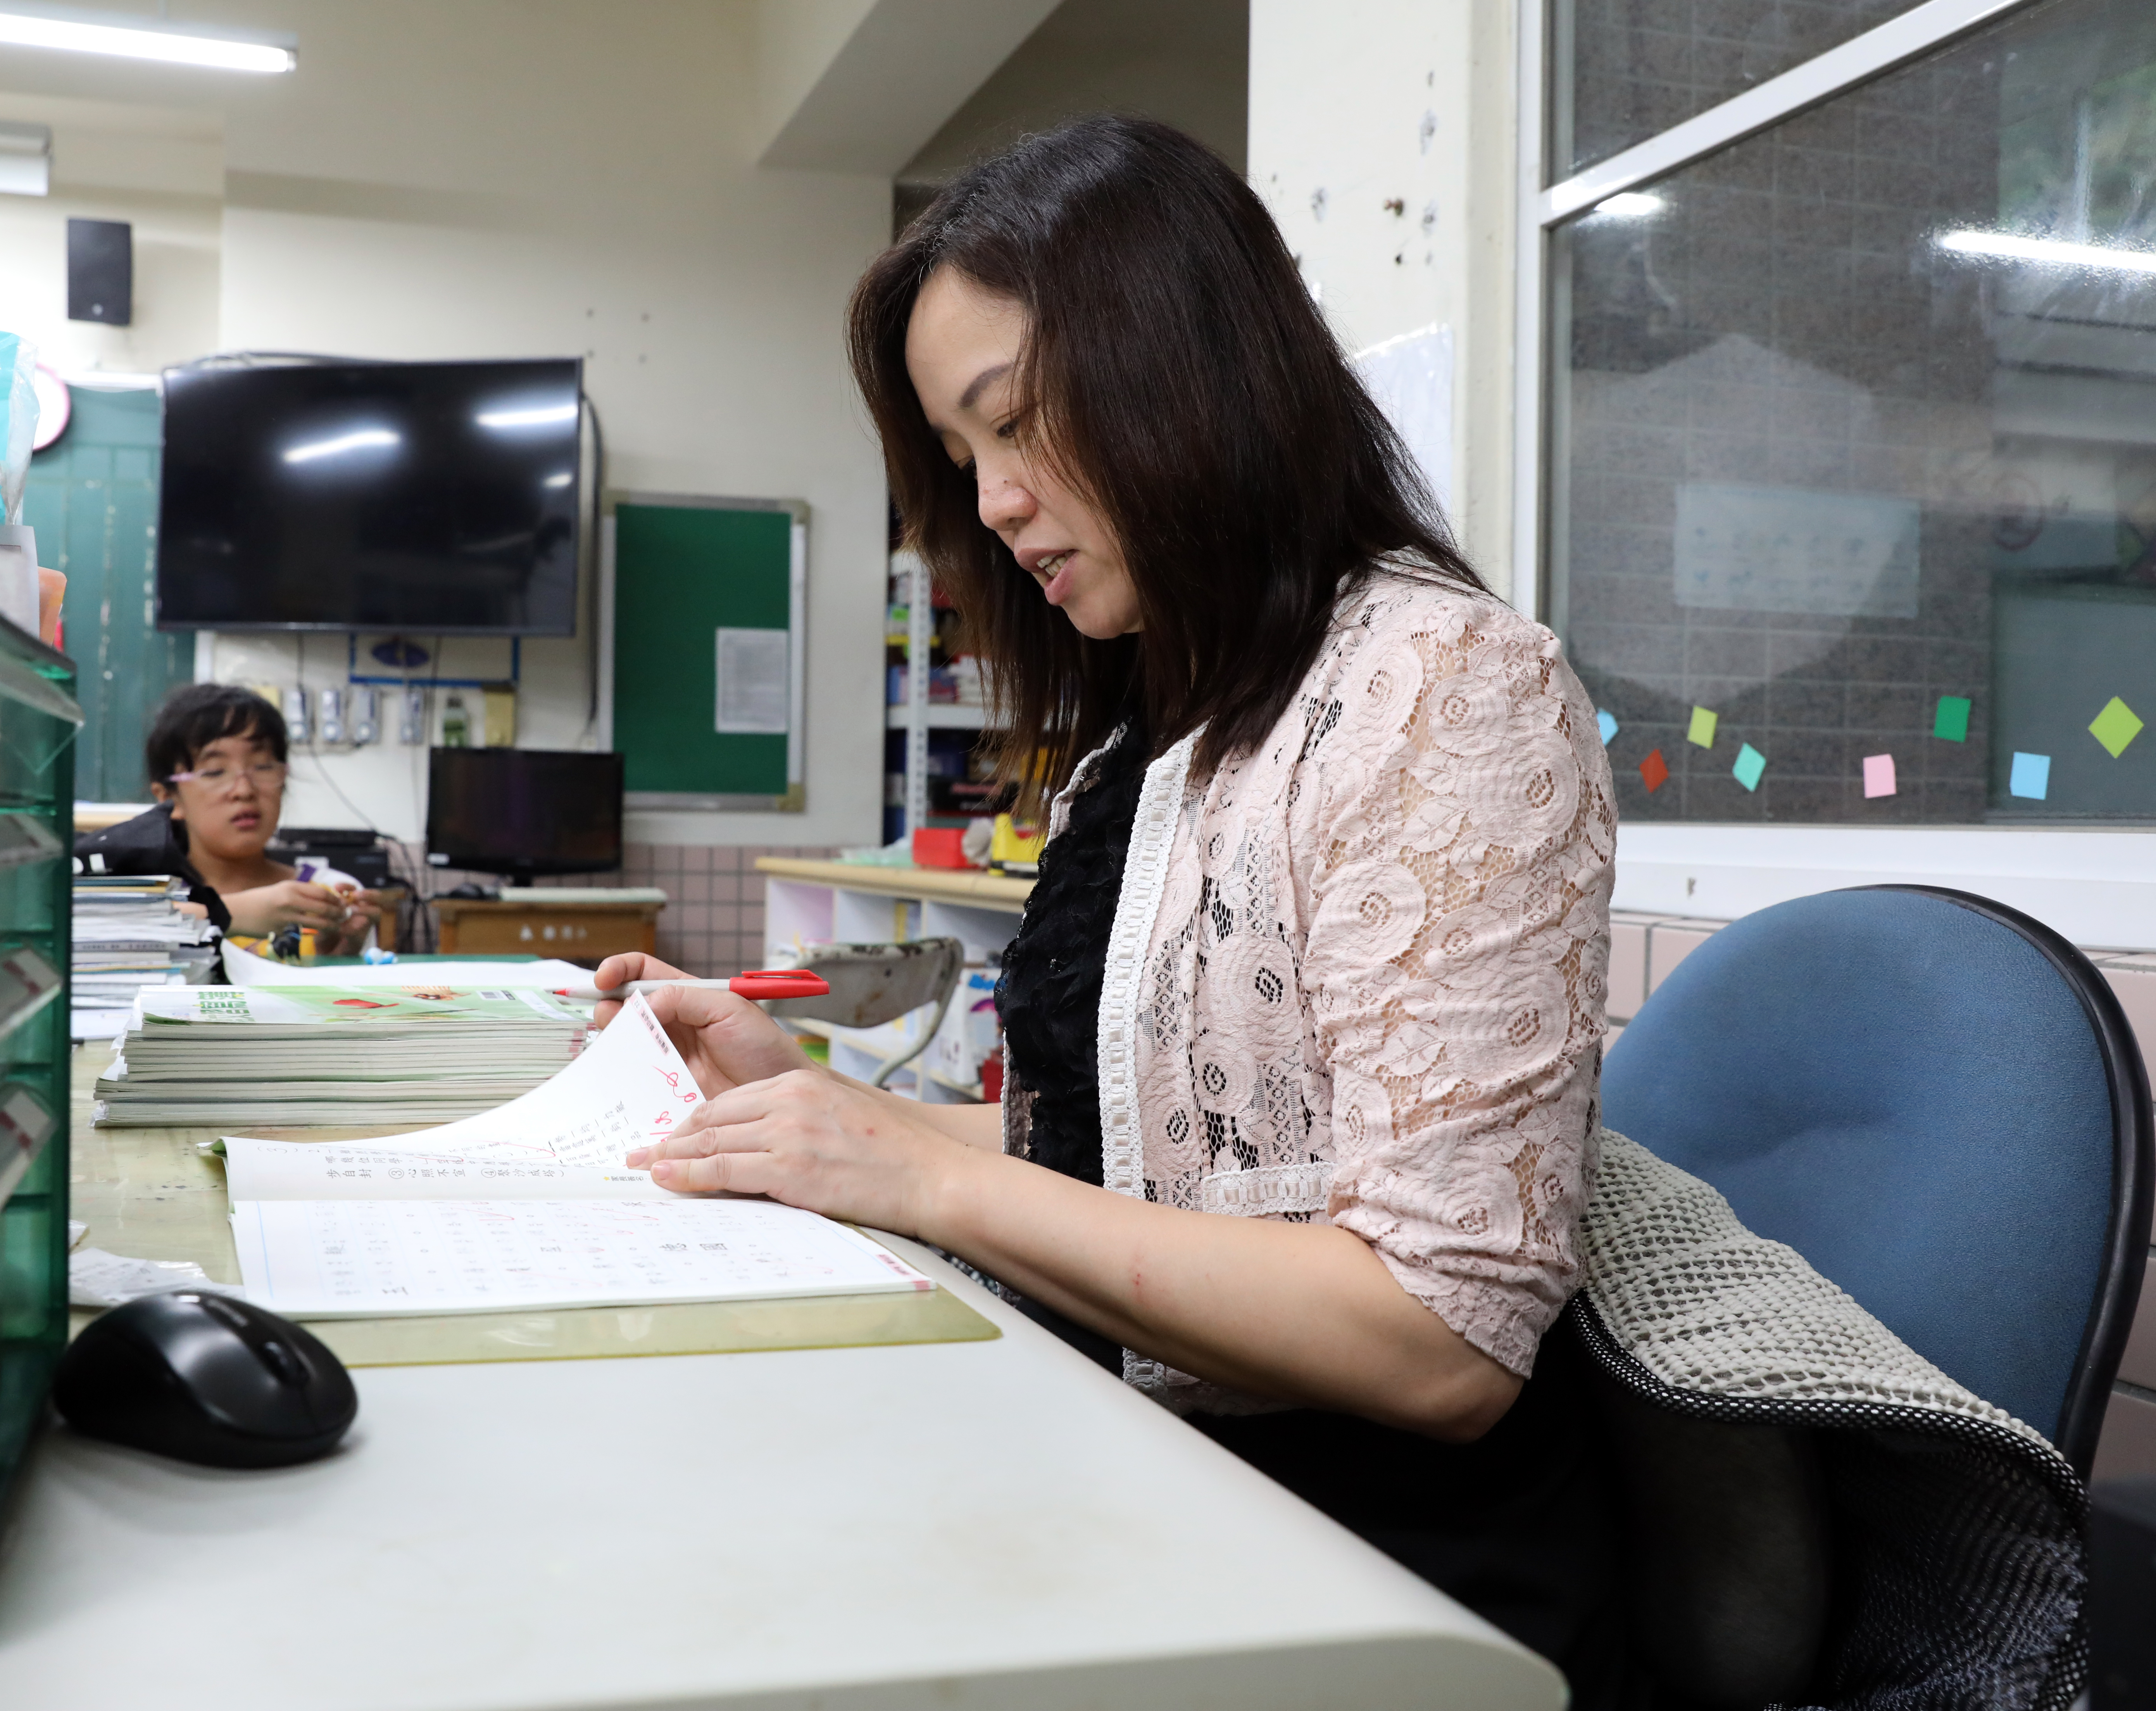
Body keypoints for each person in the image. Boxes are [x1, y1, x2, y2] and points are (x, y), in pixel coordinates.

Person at [594, 117, 1631, 1699]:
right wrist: (801, 1099)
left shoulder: (1443, 688)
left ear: (1186, 365)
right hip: (1128, 1462)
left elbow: (1439, 1338)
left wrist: (908, 1177)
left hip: (1372, 1563)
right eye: (965, 465)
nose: (997, 507)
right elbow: (1118, 1158)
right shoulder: (1152, 742)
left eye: (1013, 425)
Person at [72, 684, 381, 953]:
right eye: (215, 772)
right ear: (169, 798)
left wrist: (336, 957)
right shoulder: (136, 894)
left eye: (263, 766)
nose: (244, 790)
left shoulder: (323, 894)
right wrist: (233, 913)